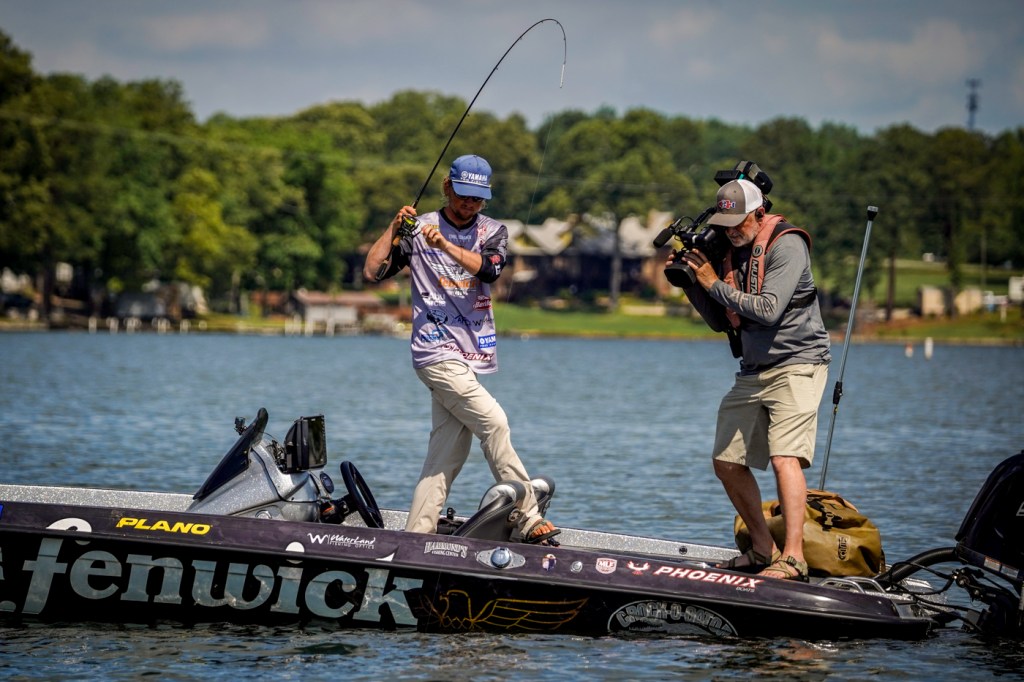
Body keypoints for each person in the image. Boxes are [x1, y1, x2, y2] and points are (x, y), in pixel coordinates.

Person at [362, 154, 560, 545]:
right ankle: (527, 516)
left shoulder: (493, 231)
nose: (469, 204)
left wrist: (446, 246)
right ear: (447, 188)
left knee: (444, 458)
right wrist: (394, 227)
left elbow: (489, 269)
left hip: (470, 355)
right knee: (495, 422)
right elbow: (373, 270)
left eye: (477, 198)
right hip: (434, 352)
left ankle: (416, 538)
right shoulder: (420, 229)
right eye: (463, 195)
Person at [668, 176, 831, 580]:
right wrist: (693, 283)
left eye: (738, 223)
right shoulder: (728, 251)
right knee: (726, 461)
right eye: (724, 225)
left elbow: (768, 309)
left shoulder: (787, 244)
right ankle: (762, 549)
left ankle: (793, 558)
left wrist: (711, 282)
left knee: (784, 457)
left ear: (759, 214)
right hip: (754, 369)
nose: (731, 232)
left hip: (798, 362)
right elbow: (719, 320)